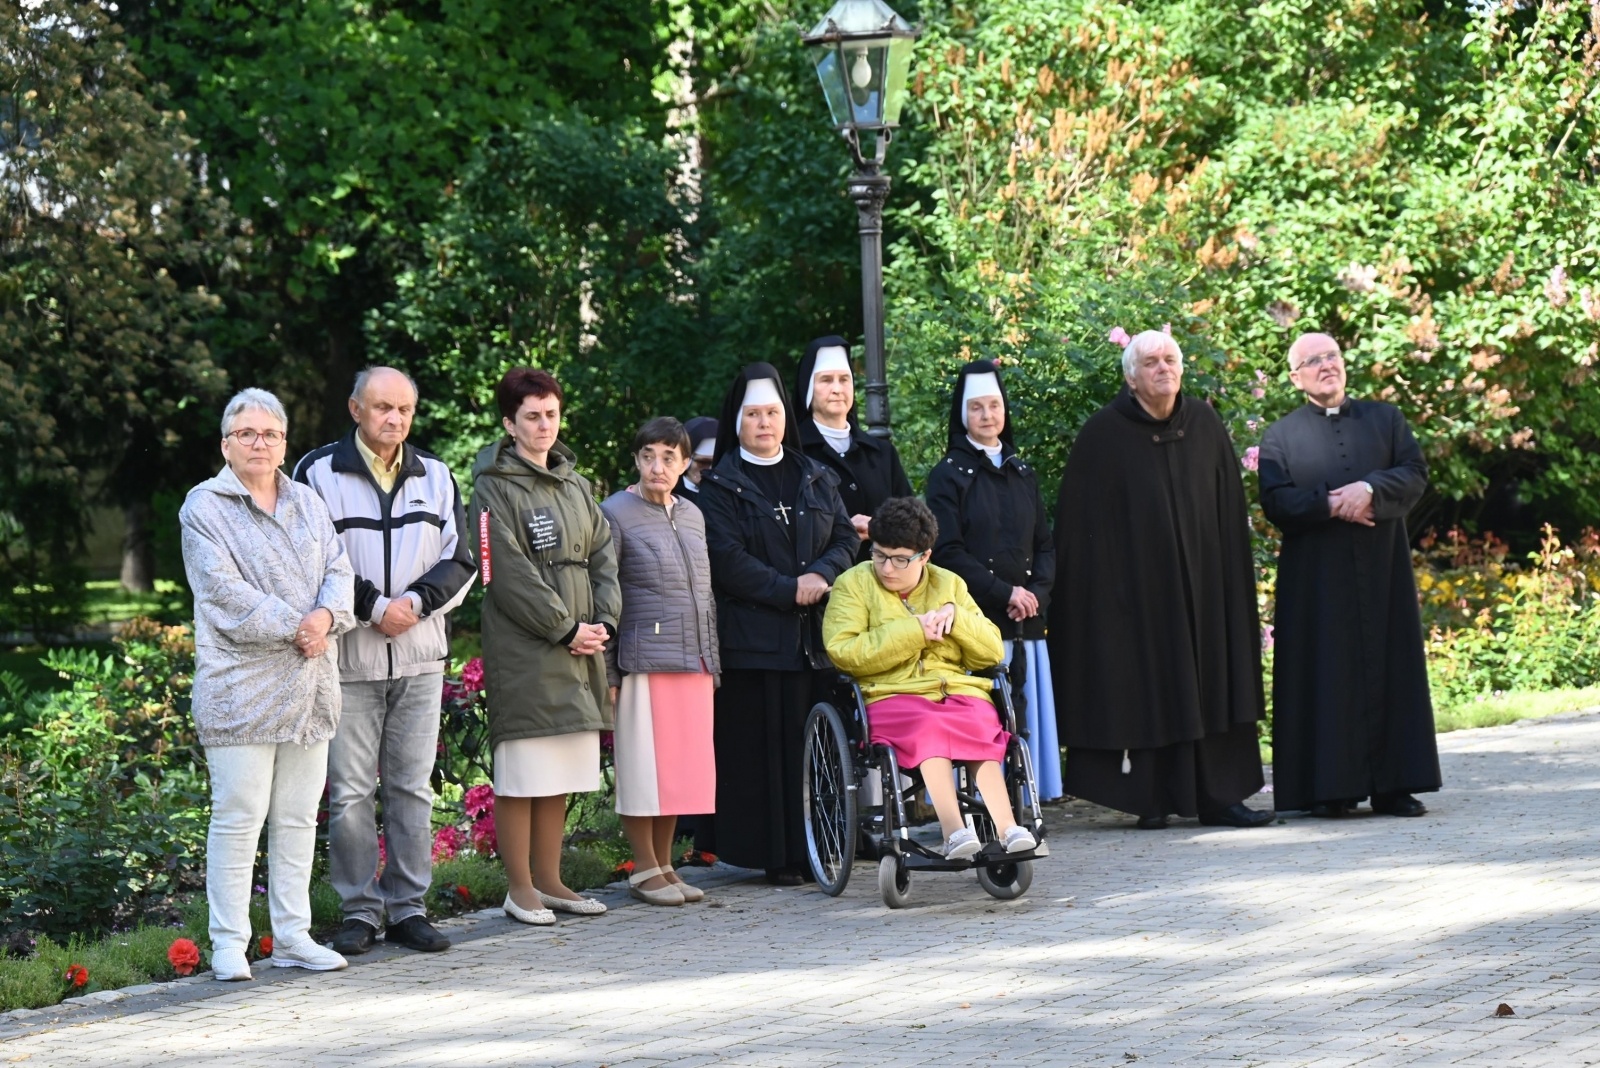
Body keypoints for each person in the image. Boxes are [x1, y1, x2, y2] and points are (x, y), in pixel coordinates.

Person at [1049, 330, 1272, 830]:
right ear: (1131, 376)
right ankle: (1152, 797)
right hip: (1138, 597)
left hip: (1207, 589)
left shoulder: (1206, 423)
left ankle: (1221, 796)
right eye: (1151, 361)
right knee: (1146, 686)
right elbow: (1081, 533)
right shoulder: (1103, 435)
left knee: (1212, 681)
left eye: (1170, 359)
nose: (1163, 368)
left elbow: (1227, 512)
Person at [293, 367, 476, 956]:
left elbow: (462, 559)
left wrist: (416, 604)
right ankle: (359, 910)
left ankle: (408, 907)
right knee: (349, 792)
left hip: (421, 657)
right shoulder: (316, 473)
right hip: (349, 660)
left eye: (404, 409)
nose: (394, 419)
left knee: (411, 788)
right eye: (381, 408)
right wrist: (374, 608)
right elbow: (311, 560)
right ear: (355, 409)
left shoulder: (438, 476)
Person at [179, 388, 356, 981]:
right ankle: (229, 943)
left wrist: (326, 619)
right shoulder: (203, 507)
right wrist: (300, 624)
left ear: (285, 442)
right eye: (247, 434)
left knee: (299, 817)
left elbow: (339, 571)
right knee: (238, 814)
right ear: (226, 444)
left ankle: (293, 936)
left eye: (271, 434)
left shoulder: (308, 502)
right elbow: (223, 594)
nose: (260, 443)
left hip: (309, 684)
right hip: (241, 688)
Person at [1258, 333, 1441, 817]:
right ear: (1296, 377)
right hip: (1317, 584)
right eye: (1312, 361)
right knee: (1326, 675)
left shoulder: (1386, 419)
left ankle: (1395, 786)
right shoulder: (1280, 436)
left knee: (1391, 667)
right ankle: (1329, 789)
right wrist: (1333, 503)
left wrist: (1369, 488)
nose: (1326, 366)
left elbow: (1415, 473)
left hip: (1384, 575)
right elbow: (1277, 502)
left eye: (1332, 356)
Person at [469, 368, 622, 924]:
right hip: (529, 646)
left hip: (581, 644)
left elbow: (604, 551)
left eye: (551, 414)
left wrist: (604, 618)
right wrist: (564, 627)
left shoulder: (577, 484)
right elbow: (505, 572)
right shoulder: (493, 485)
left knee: (559, 769)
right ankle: (519, 887)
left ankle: (551, 879)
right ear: (509, 424)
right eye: (531, 416)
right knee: (524, 769)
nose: (543, 426)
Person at [697, 362, 858, 884]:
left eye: (771, 412)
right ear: (737, 420)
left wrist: (821, 574)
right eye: (752, 414)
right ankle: (775, 855)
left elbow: (845, 539)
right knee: (764, 751)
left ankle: (819, 844)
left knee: (812, 749)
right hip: (754, 641)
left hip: (813, 639)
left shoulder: (815, 474)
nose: (764, 423)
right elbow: (726, 559)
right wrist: (789, 589)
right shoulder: (721, 486)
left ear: (786, 415)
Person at [823, 497, 1037, 857]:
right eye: (879, 555)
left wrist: (958, 619)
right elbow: (844, 651)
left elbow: (991, 653)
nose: (887, 568)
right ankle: (955, 832)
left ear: (925, 556)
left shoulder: (949, 584)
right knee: (929, 727)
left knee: (981, 722)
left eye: (900, 559)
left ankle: (1008, 828)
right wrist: (915, 631)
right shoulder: (853, 585)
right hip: (891, 694)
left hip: (954, 690)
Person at [924, 360, 1062, 802]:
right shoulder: (947, 476)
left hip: (1027, 621)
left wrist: (1035, 594)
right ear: (962, 414)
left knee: (1025, 714)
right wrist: (1006, 593)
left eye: (995, 406)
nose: (988, 415)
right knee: (985, 715)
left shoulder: (1023, 473)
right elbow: (947, 552)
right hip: (977, 621)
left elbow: (1045, 544)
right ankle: (986, 801)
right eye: (978, 407)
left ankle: (1026, 800)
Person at [601, 417, 720, 905]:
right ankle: (642, 868)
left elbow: (706, 593)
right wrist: (608, 669)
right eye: (648, 455)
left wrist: (711, 660)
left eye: (669, 457)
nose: (658, 466)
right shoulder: (614, 512)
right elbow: (602, 595)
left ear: (686, 464)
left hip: (691, 660)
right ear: (636, 460)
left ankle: (666, 863)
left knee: (677, 771)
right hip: (642, 658)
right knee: (643, 769)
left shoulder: (693, 513)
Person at [794, 335, 914, 559]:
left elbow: (914, 521)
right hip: (822, 586)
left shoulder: (882, 453)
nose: (837, 388)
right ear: (808, 388)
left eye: (844, 379)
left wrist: (879, 527)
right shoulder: (792, 453)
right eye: (826, 380)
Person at [675, 416, 718, 498]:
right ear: (685, 462)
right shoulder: (668, 496)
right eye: (703, 462)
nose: (710, 468)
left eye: (717, 462)